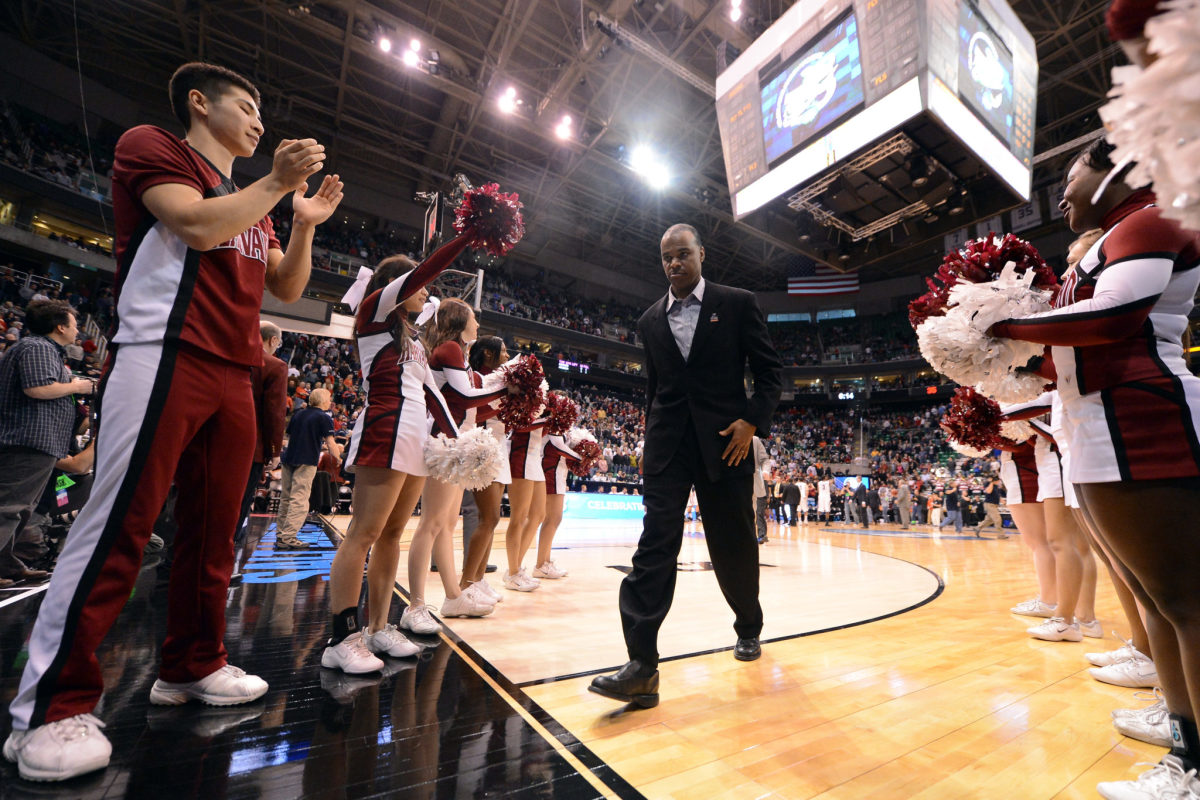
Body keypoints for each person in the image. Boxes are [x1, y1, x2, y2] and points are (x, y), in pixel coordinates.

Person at [5, 62, 343, 782]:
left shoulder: (251, 199)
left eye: (261, 111)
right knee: (120, 523)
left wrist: (303, 225)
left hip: (236, 372)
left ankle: (192, 665)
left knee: (215, 531)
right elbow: (190, 225)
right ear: (199, 103)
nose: (258, 121)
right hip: (164, 350)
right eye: (246, 106)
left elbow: (284, 286)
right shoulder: (153, 146)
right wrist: (278, 186)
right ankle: (50, 708)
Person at [991, 136, 1200, 797]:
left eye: (1072, 171)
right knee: (1158, 604)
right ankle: (1184, 736)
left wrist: (1003, 329)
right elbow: (1076, 354)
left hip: (1146, 421)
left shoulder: (1152, 216)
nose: (1063, 190)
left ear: (1118, 168)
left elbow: (1116, 317)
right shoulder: (1118, 231)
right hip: (1100, 426)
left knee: (1186, 604)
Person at [589, 223, 782, 708]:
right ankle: (641, 666)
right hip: (668, 447)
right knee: (655, 545)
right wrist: (650, 441)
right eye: (666, 258)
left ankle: (748, 626)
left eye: (682, 254)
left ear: (702, 254)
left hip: (726, 444)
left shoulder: (737, 302)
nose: (674, 263)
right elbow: (655, 391)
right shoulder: (650, 320)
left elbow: (770, 374)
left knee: (732, 542)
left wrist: (751, 423)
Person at [321, 246, 466, 676]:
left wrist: (457, 442)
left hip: (414, 439)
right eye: (421, 287)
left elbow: (431, 394)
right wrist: (467, 236)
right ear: (399, 288)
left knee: (392, 535)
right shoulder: (374, 314)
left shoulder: (412, 335)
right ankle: (341, 637)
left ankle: (378, 626)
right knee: (363, 533)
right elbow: (426, 269)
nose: (428, 293)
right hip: (384, 430)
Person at [0, 300, 94, 586]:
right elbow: (37, 388)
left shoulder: (45, 350)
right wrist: (78, 386)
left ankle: (6, 566)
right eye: (75, 325)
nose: (78, 330)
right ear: (60, 326)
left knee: (22, 508)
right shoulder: (37, 347)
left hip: (40, 443)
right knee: (9, 507)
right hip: (27, 440)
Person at [237, 321, 288, 534]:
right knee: (238, 505)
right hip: (252, 447)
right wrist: (274, 451)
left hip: (216, 440)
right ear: (273, 339)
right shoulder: (275, 366)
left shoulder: (234, 356)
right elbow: (274, 413)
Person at [274, 387, 340, 549]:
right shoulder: (323, 417)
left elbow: (288, 436)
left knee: (286, 498)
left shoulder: (298, 414)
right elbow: (331, 442)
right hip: (306, 460)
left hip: (289, 459)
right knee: (300, 499)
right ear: (324, 401)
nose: (330, 402)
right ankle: (289, 537)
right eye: (329, 399)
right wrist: (337, 458)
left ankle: (281, 534)